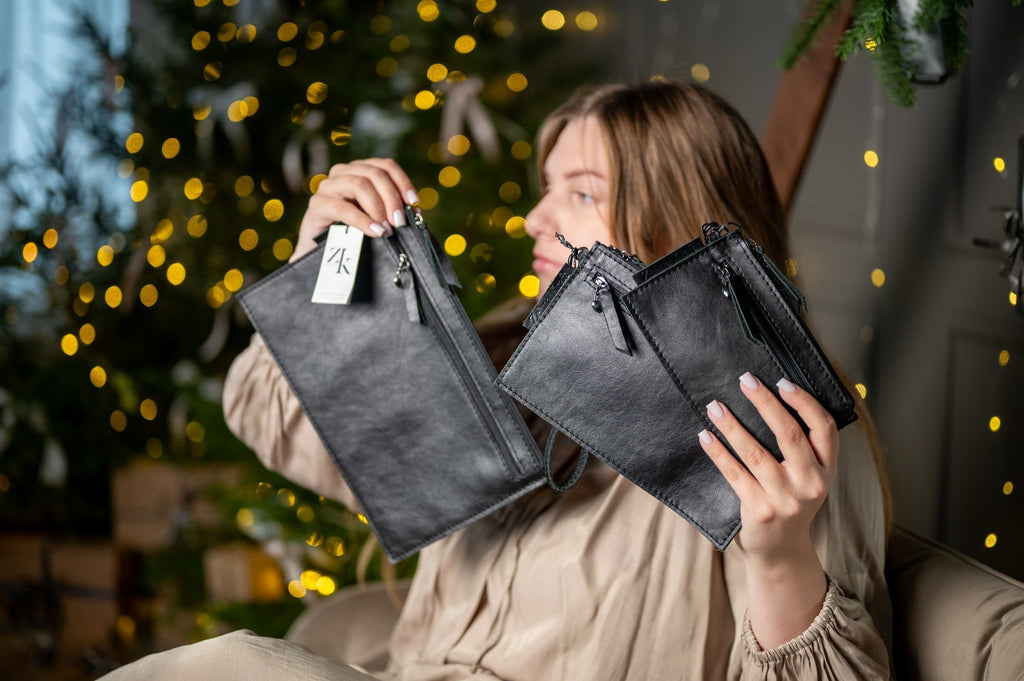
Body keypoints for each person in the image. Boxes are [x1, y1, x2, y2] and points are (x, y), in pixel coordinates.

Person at [101, 81, 893, 680]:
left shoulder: (787, 426)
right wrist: (329, 261)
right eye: (547, 187)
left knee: (235, 666)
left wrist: (781, 554)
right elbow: (279, 419)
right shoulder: (513, 348)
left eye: (581, 192)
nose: (533, 218)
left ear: (679, 219)